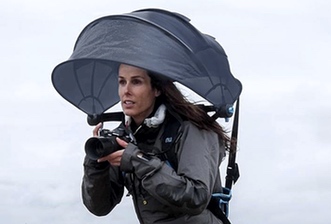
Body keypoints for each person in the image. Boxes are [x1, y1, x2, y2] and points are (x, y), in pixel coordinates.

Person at [81, 63, 230, 224]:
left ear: (157, 89)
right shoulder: (126, 136)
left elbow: (196, 197)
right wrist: (96, 164)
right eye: (122, 82)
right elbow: (100, 207)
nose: (126, 91)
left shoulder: (190, 129)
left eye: (136, 82)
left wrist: (138, 161)